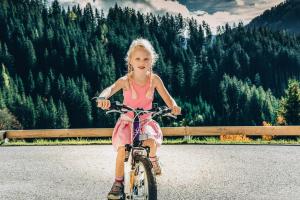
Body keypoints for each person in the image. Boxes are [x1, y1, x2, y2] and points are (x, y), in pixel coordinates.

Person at [97, 38, 181, 199]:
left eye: (146, 58)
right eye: (137, 58)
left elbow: (168, 98)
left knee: (151, 142)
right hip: (127, 122)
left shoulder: (154, 79)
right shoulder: (126, 80)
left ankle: (153, 160)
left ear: (152, 60)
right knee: (123, 149)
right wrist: (103, 97)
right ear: (130, 61)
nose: (142, 62)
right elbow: (110, 89)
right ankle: (118, 183)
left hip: (145, 121)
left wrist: (174, 107)